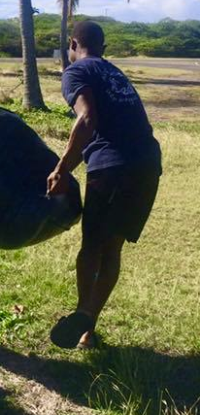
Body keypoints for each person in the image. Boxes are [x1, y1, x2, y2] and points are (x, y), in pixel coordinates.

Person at [47, 20, 162, 349]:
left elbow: (86, 119)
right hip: (147, 166)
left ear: (73, 44)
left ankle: (84, 312)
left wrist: (61, 169)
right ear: (103, 47)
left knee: (92, 247)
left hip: (112, 169)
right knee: (112, 248)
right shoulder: (113, 72)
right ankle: (88, 327)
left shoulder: (77, 71)